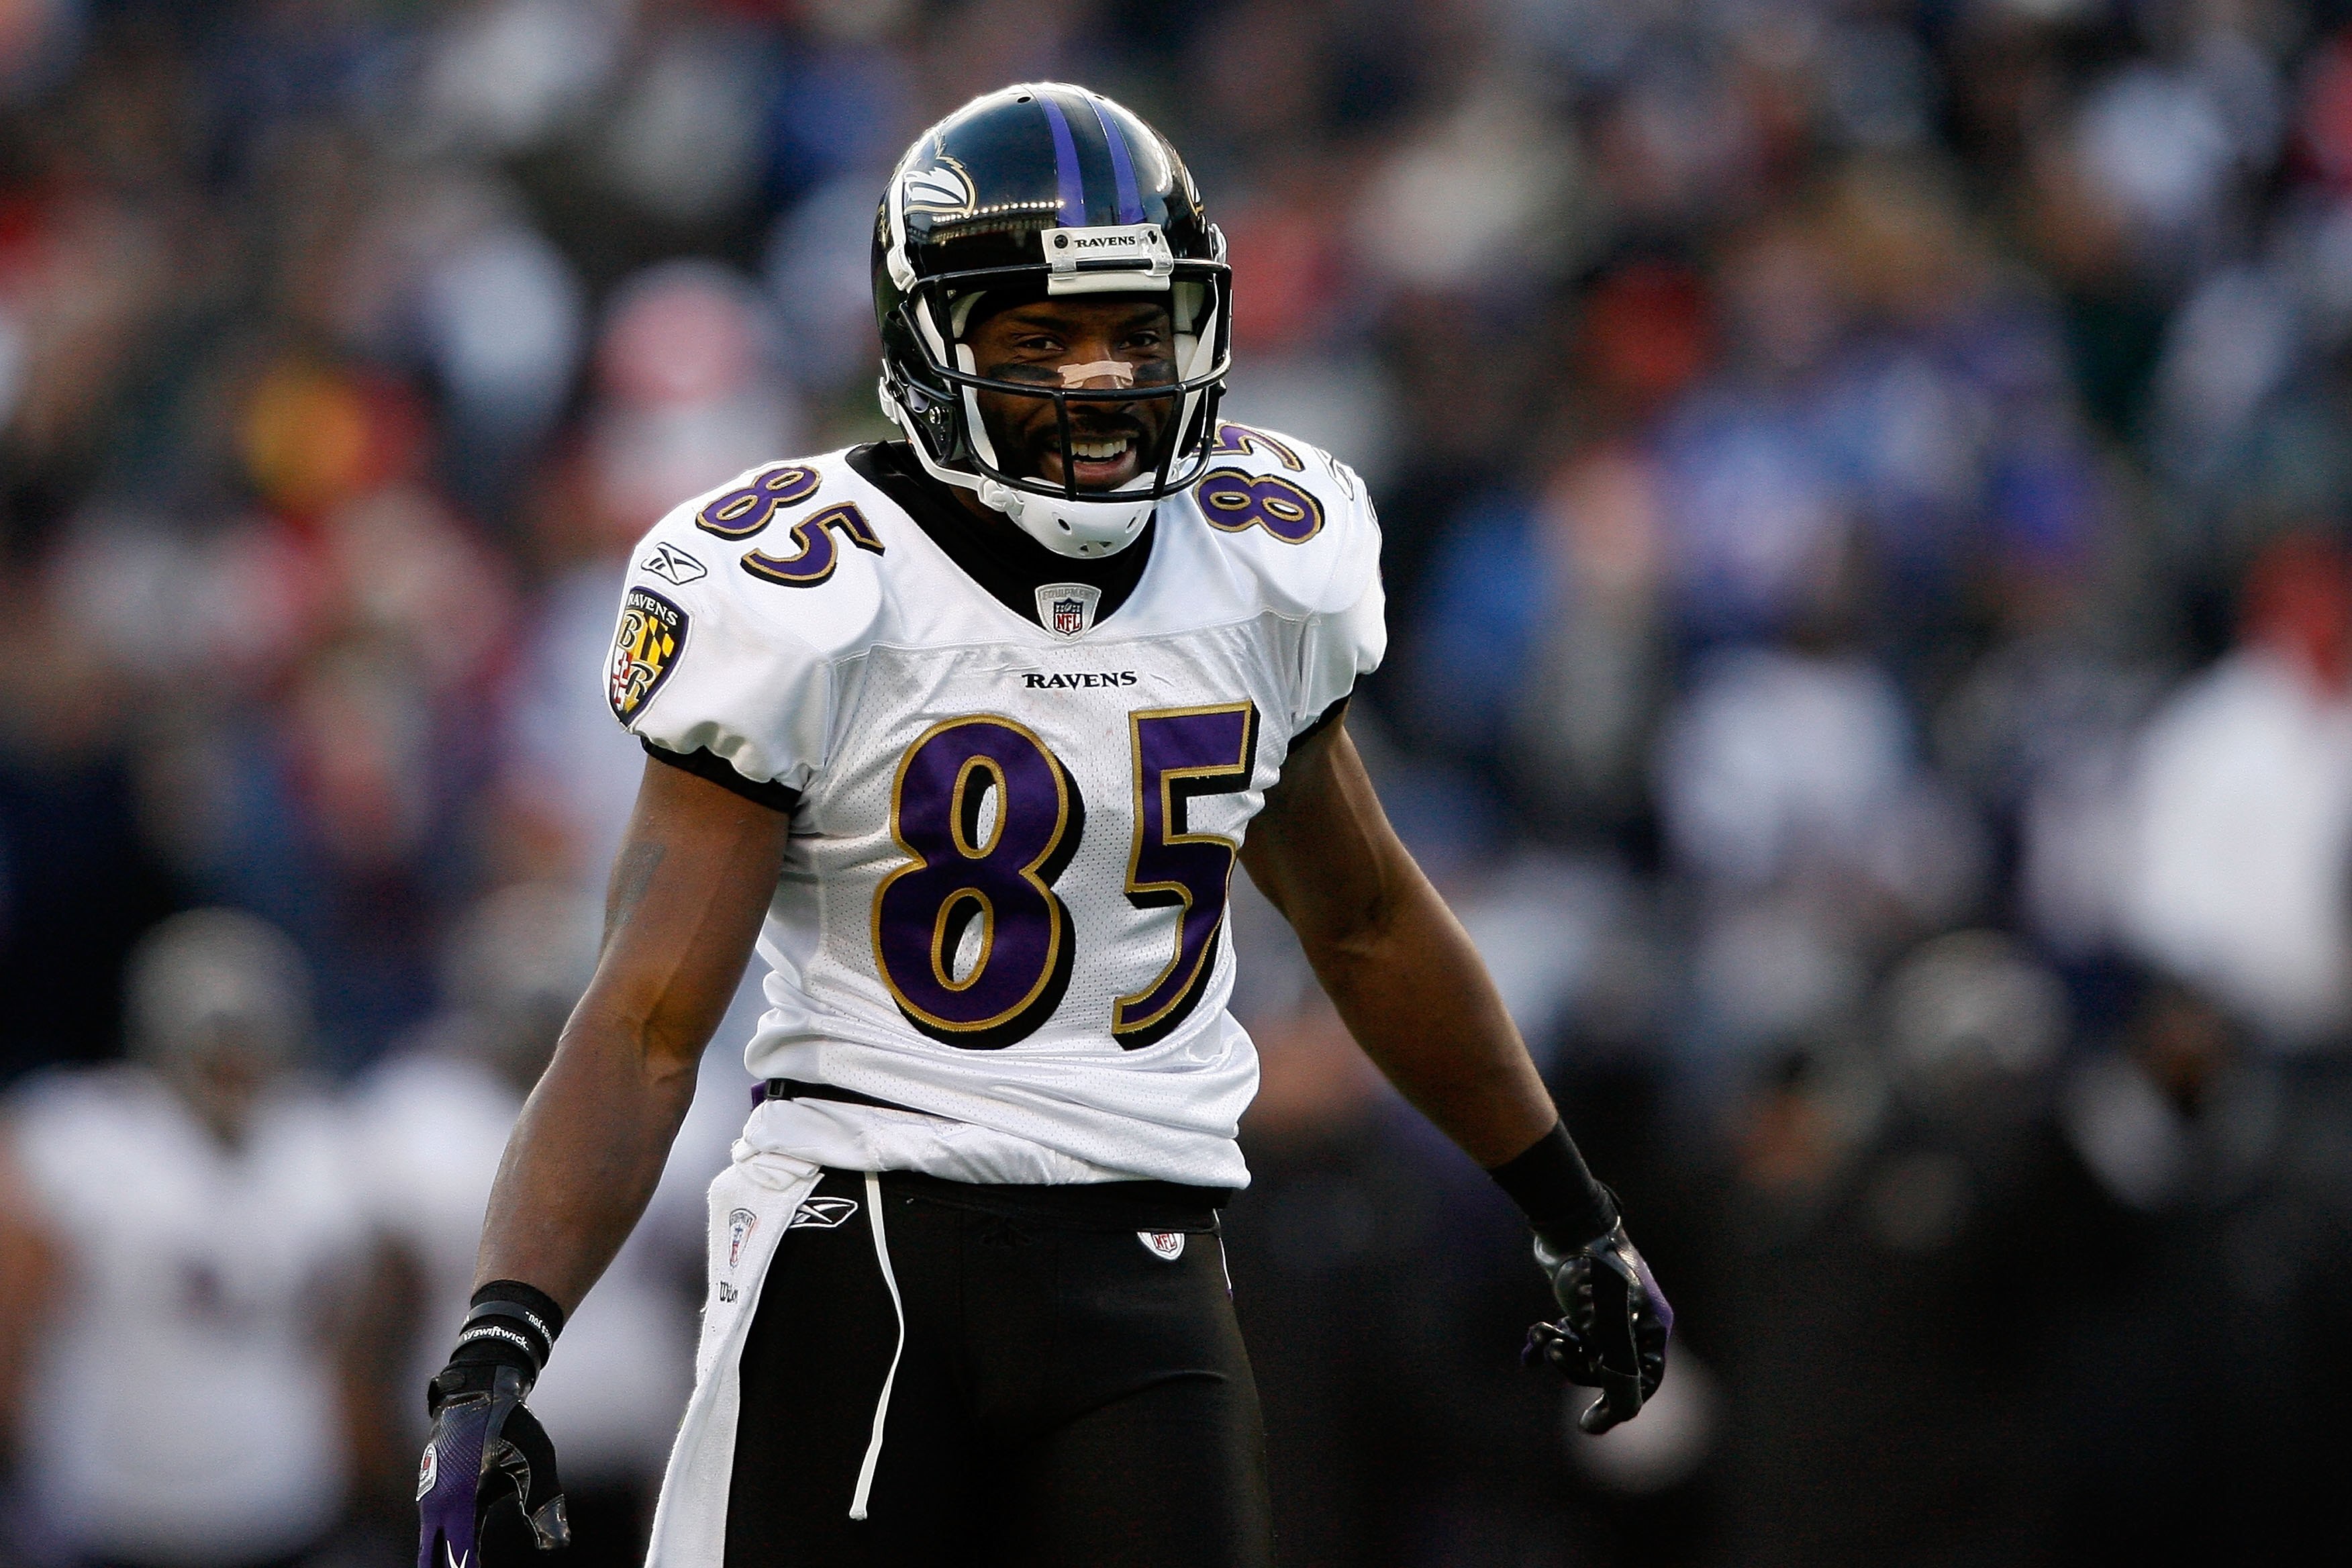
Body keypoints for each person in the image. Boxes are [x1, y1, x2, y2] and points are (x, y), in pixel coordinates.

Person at [416, 83, 1671, 1568]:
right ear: (926, 353)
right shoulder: (800, 588)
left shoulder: (1260, 561)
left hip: (1147, 1249)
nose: (1101, 378)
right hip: (862, 1241)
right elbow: (643, 1017)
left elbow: (1367, 917)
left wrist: (1570, 1206)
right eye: (1041, 339)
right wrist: (501, 1340)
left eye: (1138, 333)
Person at [0, 910, 375, 1568]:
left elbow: (346, 1340)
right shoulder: (81, 1135)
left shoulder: (323, 1140)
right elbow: (14, 1320)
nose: (233, 1059)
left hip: (284, 1501)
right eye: (216, 1039)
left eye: (249, 1036)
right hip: (112, 1509)